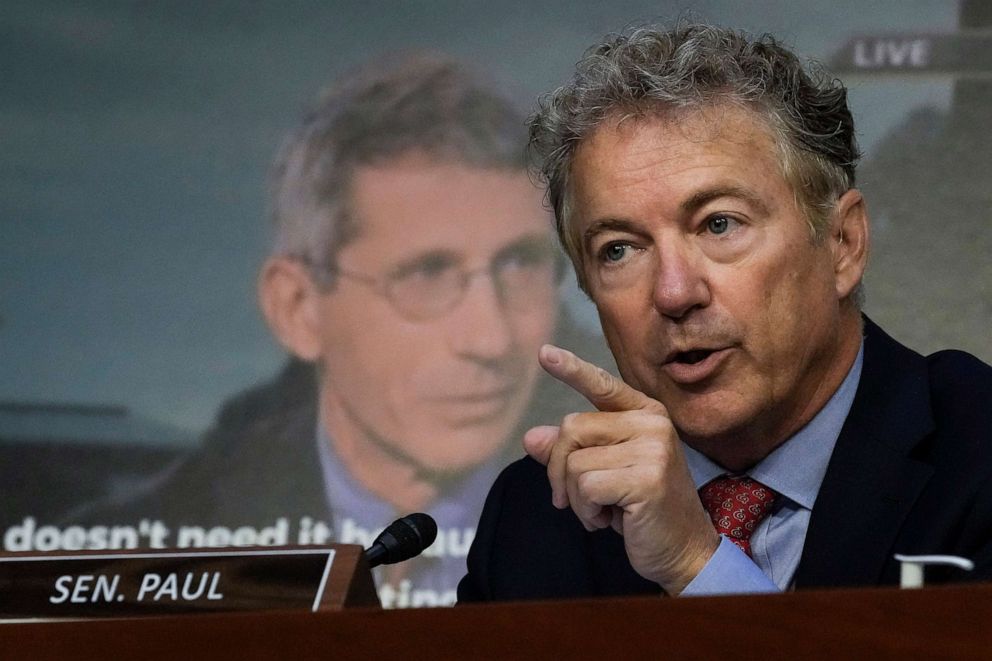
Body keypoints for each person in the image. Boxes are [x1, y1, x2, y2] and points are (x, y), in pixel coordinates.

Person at [458, 23, 992, 601]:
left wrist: (697, 565)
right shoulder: (540, 516)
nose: (673, 293)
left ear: (843, 243)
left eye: (719, 223)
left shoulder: (978, 454)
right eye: (619, 249)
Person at [71, 53, 609, 608]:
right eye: (426, 274)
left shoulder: (632, 520)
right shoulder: (131, 556)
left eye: (520, 265)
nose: (491, 340)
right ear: (298, 308)